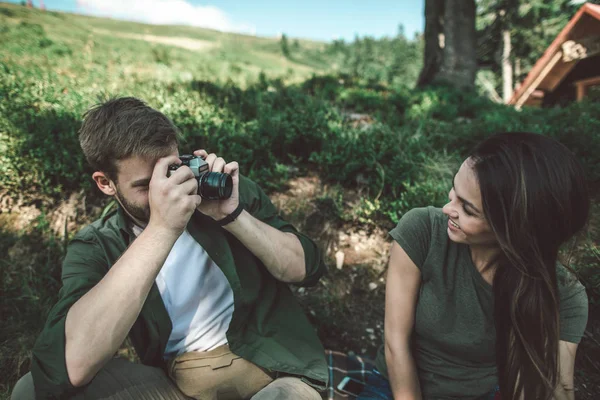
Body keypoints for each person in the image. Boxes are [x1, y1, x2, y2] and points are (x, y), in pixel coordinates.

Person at [11, 97, 328, 400]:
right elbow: (70, 364)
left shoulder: (224, 193)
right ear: (105, 183)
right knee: (30, 392)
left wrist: (231, 216)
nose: (167, 190)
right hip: (179, 385)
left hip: (274, 371)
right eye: (146, 184)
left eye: (173, 171)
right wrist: (161, 229)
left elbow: (305, 269)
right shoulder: (97, 245)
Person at [358, 132, 590, 400]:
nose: (448, 208)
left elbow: (557, 388)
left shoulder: (564, 295)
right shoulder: (422, 232)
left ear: (513, 231)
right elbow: (395, 344)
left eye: (467, 209)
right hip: (397, 388)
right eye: (454, 190)